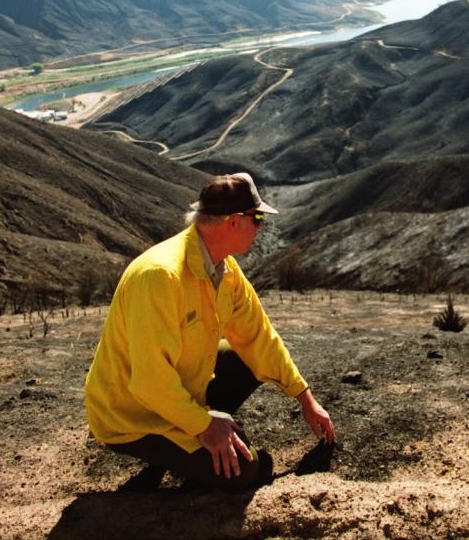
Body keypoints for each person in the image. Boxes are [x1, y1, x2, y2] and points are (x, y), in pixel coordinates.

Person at [85, 172, 335, 489]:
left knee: (243, 355)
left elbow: (258, 336)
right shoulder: (160, 276)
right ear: (233, 222)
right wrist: (204, 425)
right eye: (257, 217)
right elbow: (149, 381)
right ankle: (170, 454)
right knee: (245, 470)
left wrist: (305, 397)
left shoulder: (224, 269)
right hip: (132, 414)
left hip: (171, 390)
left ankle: (182, 452)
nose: (260, 226)